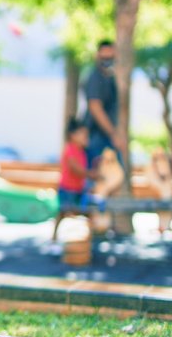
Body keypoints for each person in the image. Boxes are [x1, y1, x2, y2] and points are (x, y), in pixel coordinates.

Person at [52, 116, 98, 241]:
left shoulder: (82, 151)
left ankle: (88, 239)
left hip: (78, 189)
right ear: (73, 135)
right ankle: (54, 238)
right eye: (83, 134)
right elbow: (75, 169)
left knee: (88, 212)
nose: (86, 138)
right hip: (67, 189)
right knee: (62, 213)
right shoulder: (70, 149)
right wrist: (90, 174)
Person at [82, 41, 124, 169]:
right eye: (104, 57)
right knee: (99, 179)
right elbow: (95, 107)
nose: (107, 60)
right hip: (97, 136)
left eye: (110, 57)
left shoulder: (109, 77)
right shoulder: (95, 77)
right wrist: (113, 134)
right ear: (97, 56)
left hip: (106, 137)